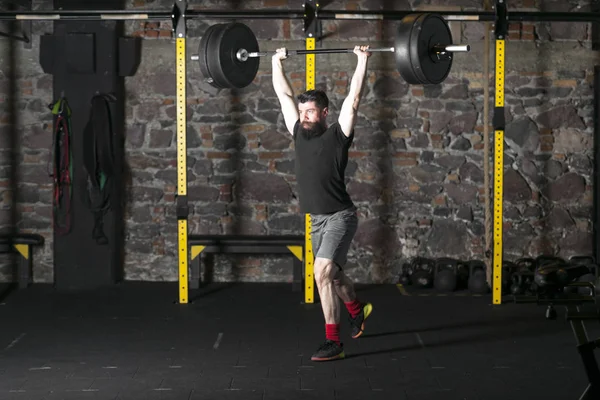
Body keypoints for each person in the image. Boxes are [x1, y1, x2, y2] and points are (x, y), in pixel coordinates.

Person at [271, 45, 373, 362]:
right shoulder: (298, 132)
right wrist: (276, 63)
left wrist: (362, 60)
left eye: (310, 112)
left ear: (324, 113)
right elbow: (284, 96)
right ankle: (358, 310)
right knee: (334, 276)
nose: (304, 116)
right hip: (316, 220)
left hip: (341, 216)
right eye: (302, 113)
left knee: (321, 272)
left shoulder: (338, 135)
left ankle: (333, 342)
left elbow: (354, 100)